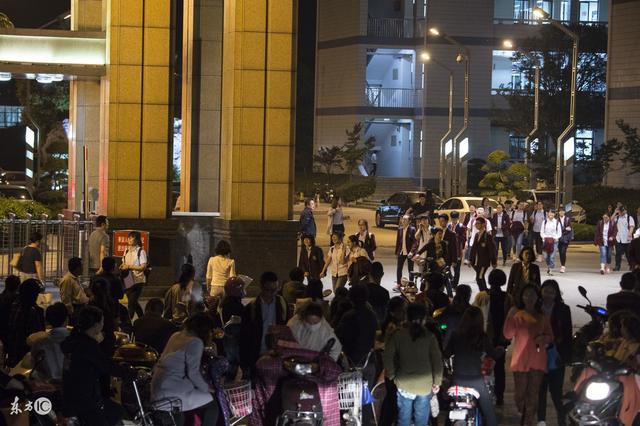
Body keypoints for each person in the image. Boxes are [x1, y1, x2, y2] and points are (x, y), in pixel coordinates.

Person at [62, 305, 135, 426]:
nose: (103, 324)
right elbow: (106, 365)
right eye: (102, 321)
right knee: (115, 412)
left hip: (71, 395)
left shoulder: (74, 340)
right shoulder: (87, 346)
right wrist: (129, 372)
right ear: (96, 325)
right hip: (85, 400)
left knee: (114, 410)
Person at [150, 313, 219, 426]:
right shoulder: (195, 342)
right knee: (212, 403)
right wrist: (206, 388)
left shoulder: (175, 335)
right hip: (172, 390)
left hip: (159, 386)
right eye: (210, 331)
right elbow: (193, 373)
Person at [383, 303, 443, 426]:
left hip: (404, 383)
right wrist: (437, 382)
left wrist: (392, 375)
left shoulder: (398, 335)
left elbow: (387, 356)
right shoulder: (430, 337)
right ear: (424, 319)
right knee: (421, 420)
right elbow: (437, 362)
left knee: (403, 418)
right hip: (424, 385)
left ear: (407, 317)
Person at [503, 284, 553, 426]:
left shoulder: (542, 316)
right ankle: (523, 413)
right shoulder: (517, 315)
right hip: (520, 360)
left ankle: (528, 422)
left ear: (537, 297)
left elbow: (550, 336)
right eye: (526, 294)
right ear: (522, 297)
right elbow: (507, 334)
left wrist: (543, 338)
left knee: (533, 394)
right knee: (519, 395)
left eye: (532, 295)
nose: (529, 297)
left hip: (537, 360)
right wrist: (510, 315)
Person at [444, 306, 504, 426]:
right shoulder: (482, 337)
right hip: (476, 380)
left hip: (457, 379)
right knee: (489, 412)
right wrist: (501, 349)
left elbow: (446, 353)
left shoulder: (455, 335)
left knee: (450, 409)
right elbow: (493, 354)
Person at [538, 280, 572, 426]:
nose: (548, 295)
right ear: (541, 291)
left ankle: (561, 419)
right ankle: (541, 421)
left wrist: (565, 356)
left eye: (552, 292)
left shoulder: (563, 309)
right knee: (540, 390)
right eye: (546, 291)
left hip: (556, 355)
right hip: (538, 355)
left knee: (556, 391)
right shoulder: (536, 308)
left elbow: (568, 333)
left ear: (556, 294)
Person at [240, 272, 291, 369]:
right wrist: (245, 365)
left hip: (277, 354)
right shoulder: (251, 308)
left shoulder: (282, 304)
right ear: (261, 287)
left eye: (275, 290)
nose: (272, 293)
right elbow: (244, 337)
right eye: (268, 290)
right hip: (257, 354)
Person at [485, 269, 512, 406]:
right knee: (499, 368)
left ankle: (485, 394)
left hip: (486, 337)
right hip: (501, 336)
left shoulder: (484, 295)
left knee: (484, 366)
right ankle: (499, 396)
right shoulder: (507, 297)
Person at [335, 283, 378, 367]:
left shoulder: (349, 316)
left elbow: (338, 336)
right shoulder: (372, 315)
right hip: (369, 360)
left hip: (352, 361)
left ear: (351, 298)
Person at [26, 302, 70, 381]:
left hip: (46, 384)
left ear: (47, 321)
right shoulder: (77, 341)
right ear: (67, 319)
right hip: (70, 383)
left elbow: (34, 364)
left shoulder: (38, 343)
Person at [6, 279, 45, 367]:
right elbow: (39, 336)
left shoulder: (13, 305)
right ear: (33, 295)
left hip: (12, 351)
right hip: (27, 354)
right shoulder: (33, 311)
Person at [219, 277, 245, 381]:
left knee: (232, 364)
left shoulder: (225, 302)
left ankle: (227, 384)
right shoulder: (234, 304)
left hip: (228, 337)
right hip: (234, 338)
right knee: (235, 364)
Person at [119, 230, 148, 320]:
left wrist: (129, 266)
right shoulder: (126, 250)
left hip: (138, 279)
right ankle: (142, 319)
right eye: (129, 237)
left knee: (131, 303)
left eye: (132, 238)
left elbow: (143, 267)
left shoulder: (141, 251)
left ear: (137, 240)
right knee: (134, 302)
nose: (130, 239)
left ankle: (127, 322)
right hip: (128, 278)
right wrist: (122, 266)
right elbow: (124, 262)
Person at [469, 217, 497, 291]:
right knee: (480, 277)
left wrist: (494, 262)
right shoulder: (476, 235)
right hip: (476, 261)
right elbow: (473, 248)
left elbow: (492, 250)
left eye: (478, 223)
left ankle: (484, 292)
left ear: (483, 224)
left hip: (484, 262)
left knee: (479, 278)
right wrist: (470, 259)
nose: (476, 225)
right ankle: (485, 292)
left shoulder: (488, 236)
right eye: (476, 224)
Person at [395, 215, 416, 288]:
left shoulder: (412, 229)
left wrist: (412, 252)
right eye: (403, 219)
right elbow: (398, 241)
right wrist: (397, 252)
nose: (403, 221)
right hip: (401, 251)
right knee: (399, 268)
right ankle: (399, 284)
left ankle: (411, 284)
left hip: (409, 252)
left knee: (410, 269)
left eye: (405, 219)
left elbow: (415, 242)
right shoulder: (400, 229)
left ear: (409, 221)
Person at [0, 275, 20, 347]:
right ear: (18, 287)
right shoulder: (18, 300)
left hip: (3, 331)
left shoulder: (1, 297)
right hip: (13, 332)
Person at [540, 210, 562, 276]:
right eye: (550, 214)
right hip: (546, 241)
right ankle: (549, 266)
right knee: (546, 256)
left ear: (554, 214)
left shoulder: (557, 222)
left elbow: (559, 233)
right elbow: (542, 231)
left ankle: (550, 269)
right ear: (548, 214)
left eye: (552, 214)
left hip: (554, 241)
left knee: (552, 256)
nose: (551, 215)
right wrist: (544, 237)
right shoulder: (544, 222)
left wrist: (555, 238)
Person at [614, 206, 636, 271]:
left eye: (622, 211)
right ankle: (617, 266)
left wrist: (630, 233)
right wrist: (615, 212)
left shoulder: (629, 218)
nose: (621, 212)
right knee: (618, 253)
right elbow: (611, 220)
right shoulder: (617, 217)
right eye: (620, 211)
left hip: (627, 239)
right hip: (619, 238)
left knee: (628, 254)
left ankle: (631, 265)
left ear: (625, 211)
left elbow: (631, 226)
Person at [449, 211, 467, 288]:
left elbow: (464, 238)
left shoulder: (461, 226)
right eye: (452, 219)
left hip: (457, 250)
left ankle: (454, 285)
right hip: (449, 250)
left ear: (458, 218)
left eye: (455, 219)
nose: (454, 221)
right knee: (446, 267)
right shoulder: (448, 225)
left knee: (457, 269)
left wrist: (455, 235)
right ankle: (452, 279)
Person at [557, 208, 573, 273]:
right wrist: (565, 229)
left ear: (564, 212)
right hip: (559, 238)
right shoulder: (556, 220)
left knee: (563, 251)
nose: (561, 212)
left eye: (562, 211)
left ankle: (563, 266)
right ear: (558, 212)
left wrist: (563, 229)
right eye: (560, 211)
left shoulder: (567, 219)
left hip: (566, 238)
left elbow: (570, 228)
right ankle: (562, 264)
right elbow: (556, 229)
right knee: (560, 252)